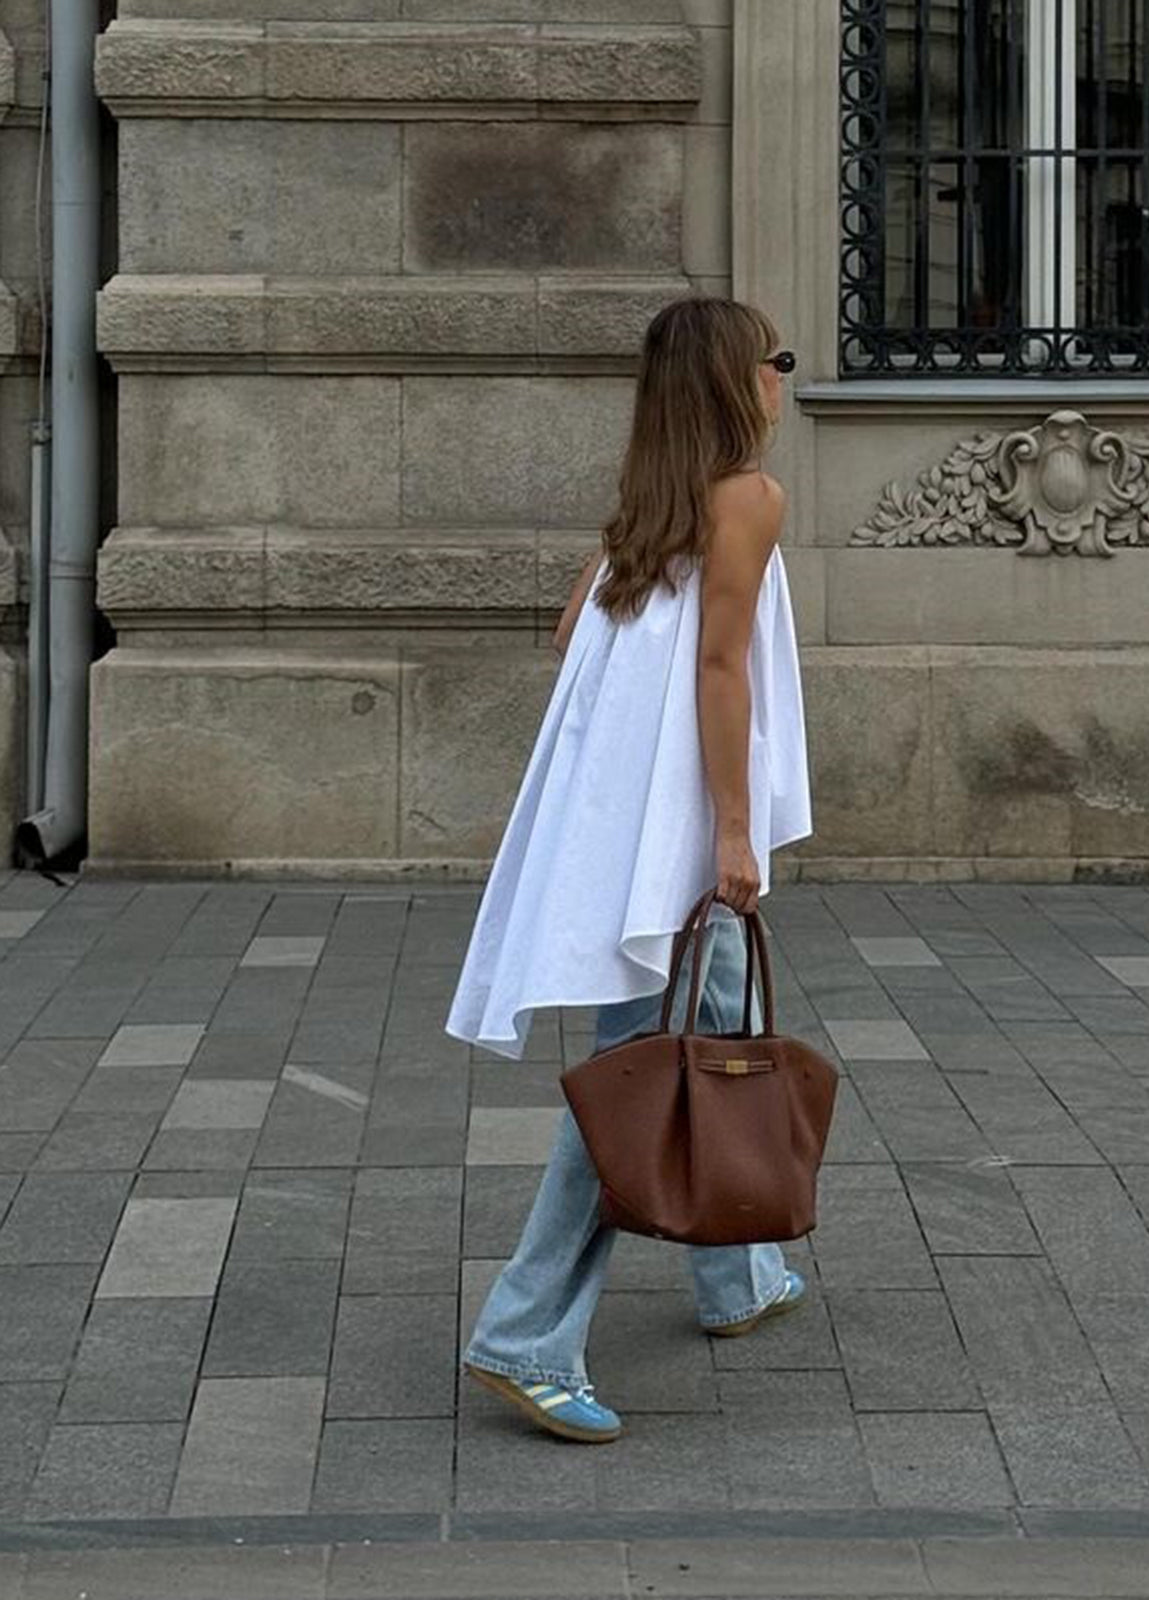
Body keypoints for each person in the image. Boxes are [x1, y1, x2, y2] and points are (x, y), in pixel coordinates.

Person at [444, 297, 813, 1444]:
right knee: (644, 1073)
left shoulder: (651, 509)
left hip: (622, 824)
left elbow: (574, 638)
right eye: (774, 360)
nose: (785, 376)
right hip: (679, 826)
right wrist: (737, 829)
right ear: (731, 383)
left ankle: (733, 1277)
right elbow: (721, 669)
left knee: (718, 1022)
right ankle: (526, 1329)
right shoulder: (748, 498)